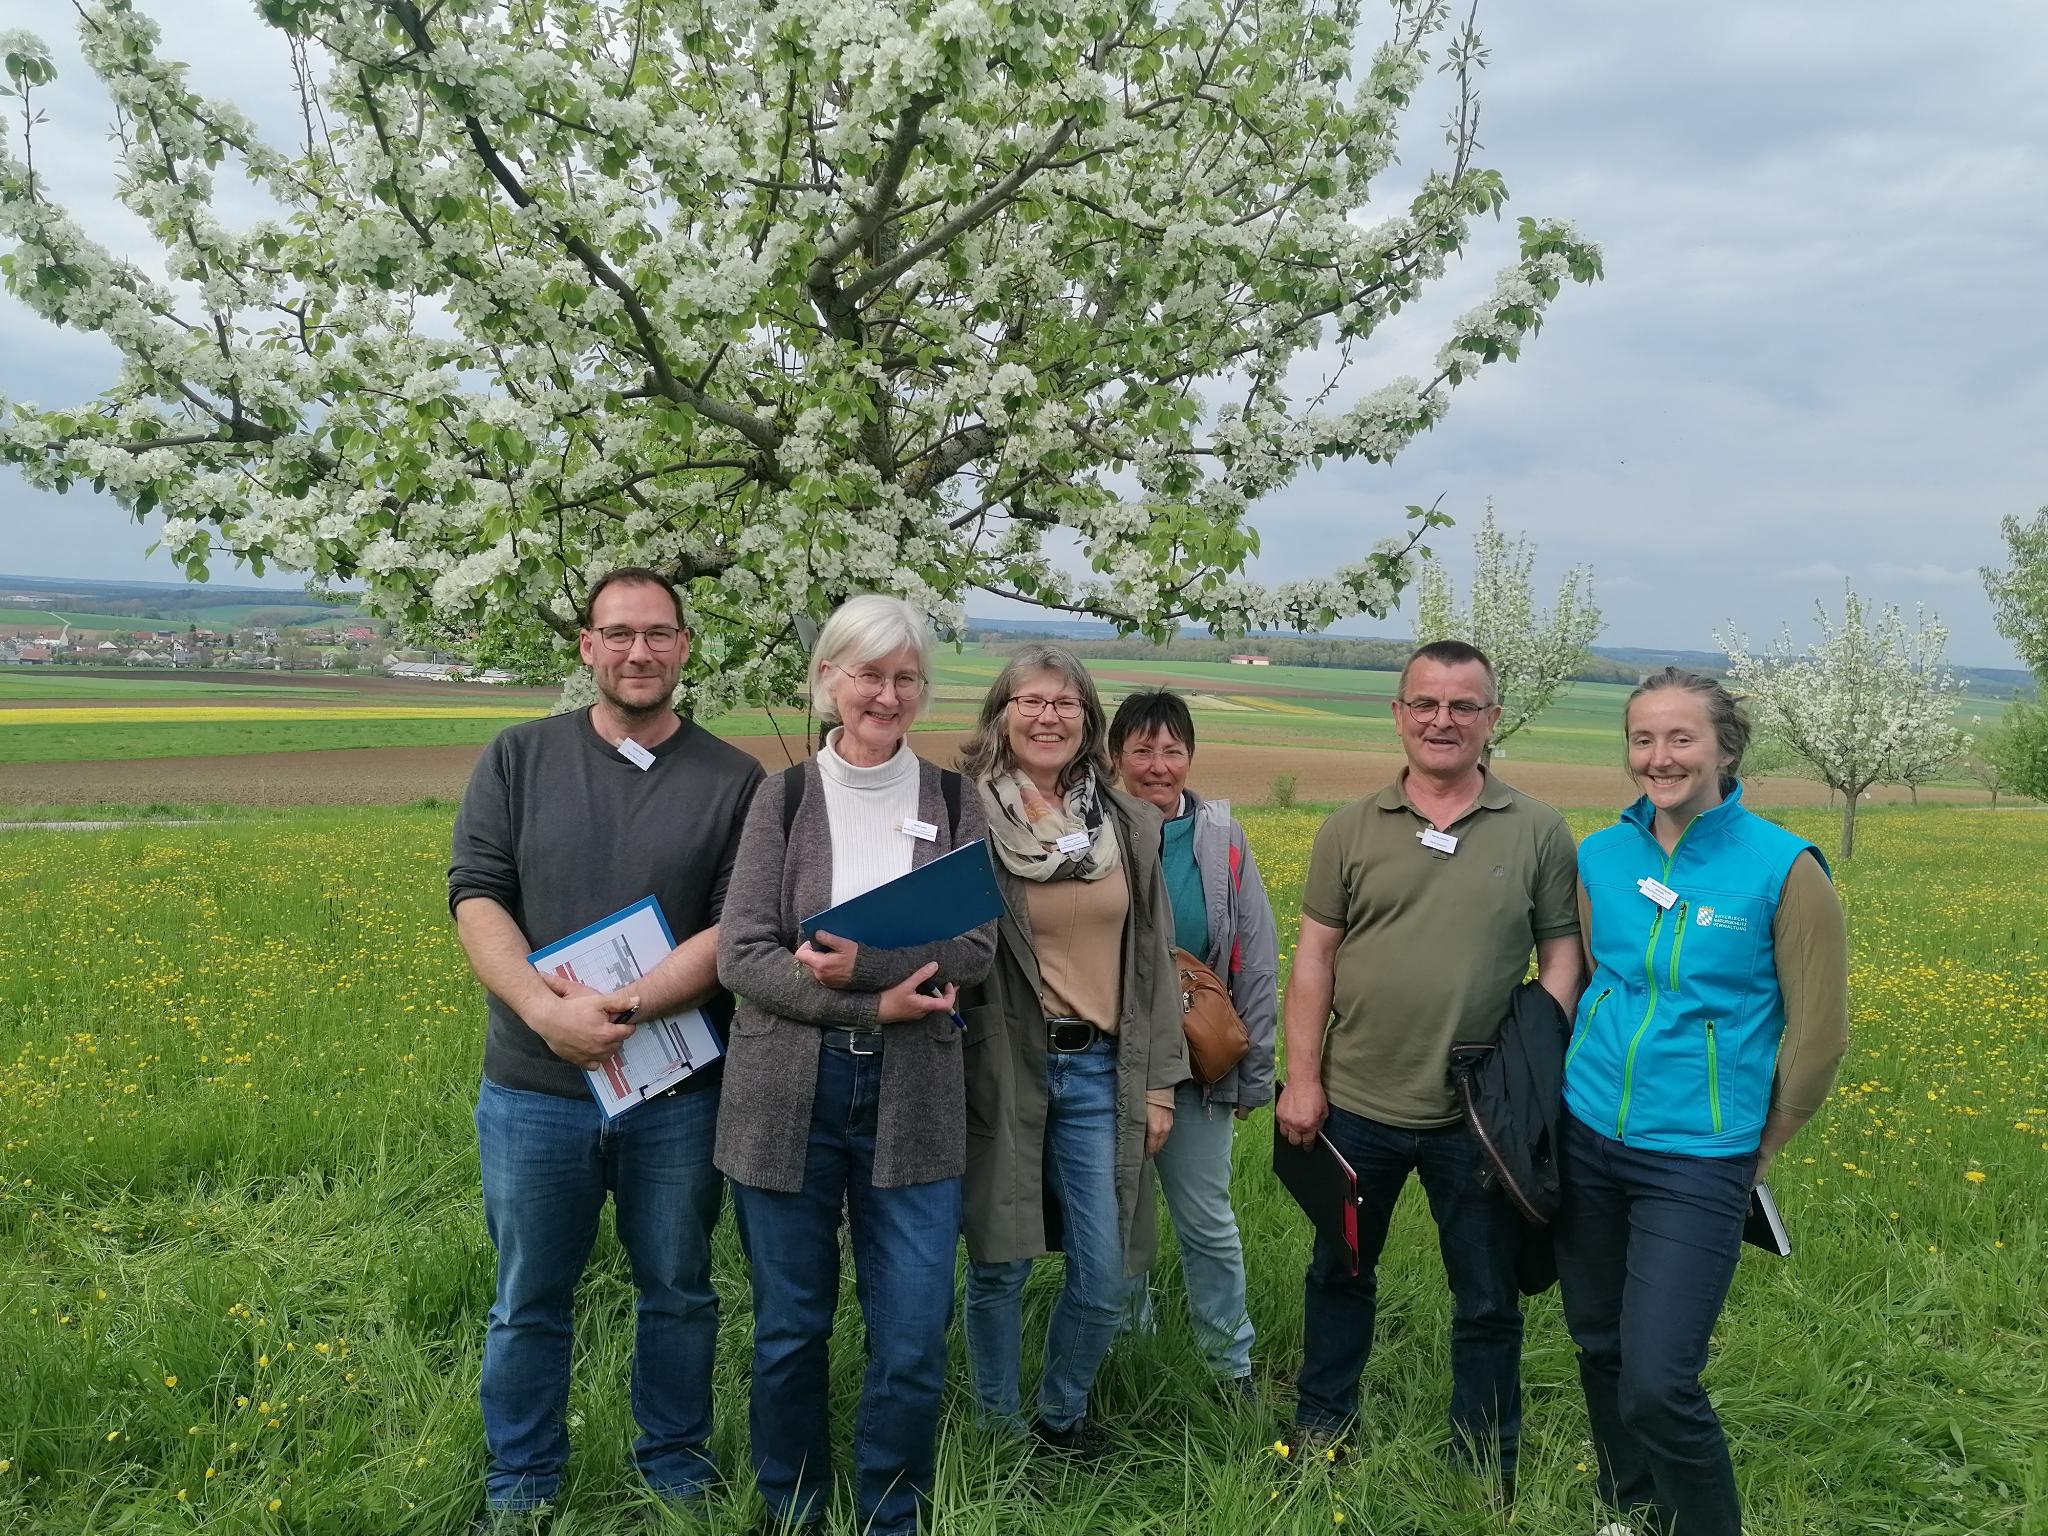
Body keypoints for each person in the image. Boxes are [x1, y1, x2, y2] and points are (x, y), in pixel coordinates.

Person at [448, 568, 764, 1527]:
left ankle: (672, 1463)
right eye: (618, 634)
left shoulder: (734, 779)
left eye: (659, 634)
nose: (639, 652)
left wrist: (618, 1006)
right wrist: (545, 1015)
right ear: (586, 646)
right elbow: (478, 896)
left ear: (684, 647)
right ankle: (524, 1479)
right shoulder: (517, 758)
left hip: (674, 1092)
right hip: (534, 1091)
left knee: (677, 1289)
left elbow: (730, 929)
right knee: (528, 1296)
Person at [714, 595, 996, 1536]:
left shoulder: (955, 800)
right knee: (792, 1330)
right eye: (869, 673)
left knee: (913, 1336)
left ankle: (890, 1512)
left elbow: (979, 950)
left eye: (906, 676)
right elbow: (743, 955)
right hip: (787, 1091)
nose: (887, 693)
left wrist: (869, 967)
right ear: (830, 678)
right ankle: (792, 1506)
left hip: (915, 1092)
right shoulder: (785, 797)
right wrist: (871, 1002)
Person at [1275, 639, 1580, 1494]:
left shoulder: (1539, 831)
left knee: (1487, 1299)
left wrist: (1530, 1064)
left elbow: (1563, 956)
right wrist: (1303, 1080)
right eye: (1426, 704)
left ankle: (1484, 1462)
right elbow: (1314, 961)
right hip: (1356, 1109)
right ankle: (1321, 1430)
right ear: (1399, 714)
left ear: (1491, 719)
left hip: (1479, 1118)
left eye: (1463, 706)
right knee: (1339, 1275)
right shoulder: (1350, 828)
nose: (1442, 720)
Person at [1556, 669, 1848, 1536]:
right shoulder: (1601, 857)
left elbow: (1820, 1033)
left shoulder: (1783, 869)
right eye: (1643, 739)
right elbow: (1589, 982)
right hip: (1587, 1135)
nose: (1659, 757)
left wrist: (1763, 1145)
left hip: (1699, 1156)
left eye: (1681, 738)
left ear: (1725, 747)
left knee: (1659, 1379)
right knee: (1600, 1347)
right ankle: (1632, 1507)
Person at [956, 644, 1189, 1458]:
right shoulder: (966, 815)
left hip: (1099, 1069)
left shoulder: (1126, 824)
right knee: (1000, 1263)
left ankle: (1061, 1415)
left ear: (1088, 719)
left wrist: (1160, 1083)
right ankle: (996, 1429)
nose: (1048, 716)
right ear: (1002, 714)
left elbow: (1154, 956)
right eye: (1031, 701)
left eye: (1065, 703)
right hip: (1001, 1066)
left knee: (1106, 1270)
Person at [1108, 688, 1279, 1396]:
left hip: (1197, 1065)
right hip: (1107, 1063)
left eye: (1171, 749)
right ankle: (1124, 1350)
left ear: (1190, 756)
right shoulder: (1092, 831)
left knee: (1206, 1221)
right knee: (1118, 1219)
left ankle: (1228, 1362)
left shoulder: (1218, 838)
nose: (1157, 764)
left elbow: (1258, 955)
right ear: (1116, 755)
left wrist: (1255, 1072)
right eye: (1142, 749)